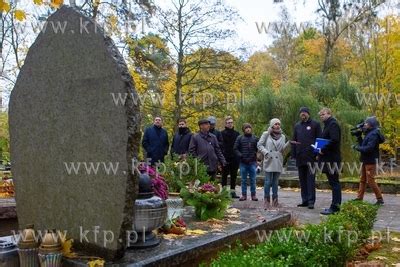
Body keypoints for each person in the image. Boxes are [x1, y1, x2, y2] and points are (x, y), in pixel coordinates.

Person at [291, 107, 322, 209]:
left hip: (311, 157)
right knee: (302, 180)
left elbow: (319, 140)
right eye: (301, 113)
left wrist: (317, 154)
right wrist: (294, 154)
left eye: (304, 112)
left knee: (310, 180)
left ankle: (311, 201)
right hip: (300, 157)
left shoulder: (315, 124)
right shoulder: (297, 126)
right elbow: (294, 140)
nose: (302, 114)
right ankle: (304, 200)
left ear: (308, 114)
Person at [257, 118, 289, 209]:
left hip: (278, 160)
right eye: (275, 124)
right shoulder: (266, 134)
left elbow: (282, 149)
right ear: (271, 125)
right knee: (267, 182)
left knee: (275, 182)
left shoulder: (282, 136)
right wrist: (266, 152)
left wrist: (289, 143)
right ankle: (266, 201)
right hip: (269, 159)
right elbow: (259, 145)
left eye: (279, 124)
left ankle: (275, 201)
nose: (277, 125)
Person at [353, 116, 385, 205]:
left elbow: (369, 148)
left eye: (366, 123)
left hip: (370, 161)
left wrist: (357, 148)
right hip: (366, 160)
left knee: (370, 181)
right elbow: (363, 144)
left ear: (371, 125)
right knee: (362, 179)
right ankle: (359, 198)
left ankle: (380, 199)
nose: (365, 125)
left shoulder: (374, 134)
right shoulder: (369, 133)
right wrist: (359, 137)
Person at [318, 108, 342, 215]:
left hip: (332, 159)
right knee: (333, 183)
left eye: (323, 114)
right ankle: (335, 206)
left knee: (334, 183)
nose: (321, 116)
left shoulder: (333, 124)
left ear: (329, 114)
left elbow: (334, 140)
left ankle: (335, 207)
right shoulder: (327, 125)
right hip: (328, 158)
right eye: (320, 115)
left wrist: (322, 149)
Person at [234, 123, 259, 201]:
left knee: (253, 180)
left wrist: (257, 157)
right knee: (243, 180)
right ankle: (244, 195)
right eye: (246, 128)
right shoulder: (240, 138)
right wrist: (241, 156)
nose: (248, 129)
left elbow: (259, 148)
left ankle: (253, 195)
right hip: (243, 162)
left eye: (249, 127)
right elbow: (235, 148)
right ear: (243, 129)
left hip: (252, 162)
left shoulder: (255, 138)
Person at [221, 116, 240, 198]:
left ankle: (232, 192)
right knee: (224, 176)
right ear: (225, 123)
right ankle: (224, 192)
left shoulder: (237, 134)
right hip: (225, 157)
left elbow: (239, 146)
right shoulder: (221, 133)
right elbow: (220, 146)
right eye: (228, 123)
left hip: (234, 158)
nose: (230, 124)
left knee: (234, 176)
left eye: (231, 122)